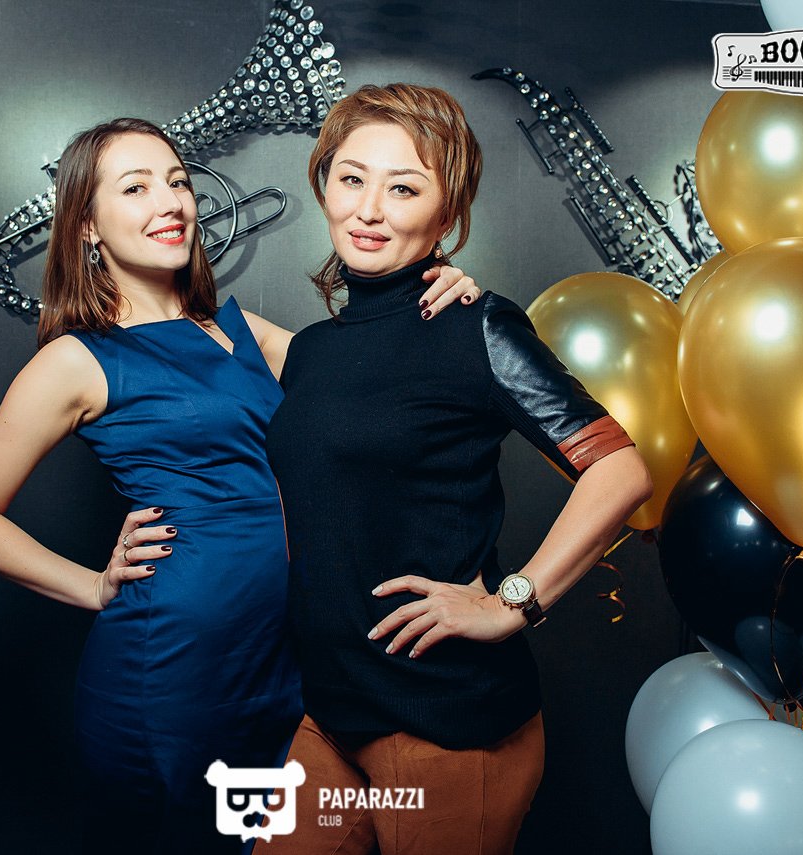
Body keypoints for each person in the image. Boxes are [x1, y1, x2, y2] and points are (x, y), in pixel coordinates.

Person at [0, 117, 480, 854]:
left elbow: (372, 376)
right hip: (172, 669)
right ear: (87, 225)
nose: (171, 202)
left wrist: (435, 286)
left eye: (178, 182)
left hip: (283, 658)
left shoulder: (239, 329)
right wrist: (94, 585)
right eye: (136, 188)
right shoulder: (77, 360)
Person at [256, 84, 655, 854]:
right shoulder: (310, 351)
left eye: (404, 188)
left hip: (447, 722)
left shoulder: (476, 325)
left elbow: (621, 471)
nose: (369, 209)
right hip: (331, 712)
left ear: (447, 215)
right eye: (352, 178)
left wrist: (513, 603)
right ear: (325, 185)